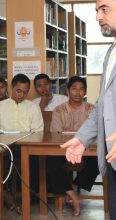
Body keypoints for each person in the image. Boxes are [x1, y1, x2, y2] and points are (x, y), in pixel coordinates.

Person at [61, 0, 116, 219]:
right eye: (96, 10)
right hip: (112, 160)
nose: (97, 16)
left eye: (104, 9)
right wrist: (82, 139)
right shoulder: (111, 52)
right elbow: (102, 104)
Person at [48, 76, 99, 216]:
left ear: (85, 92)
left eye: (81, 89)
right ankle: (73, 195)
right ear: (68, 91)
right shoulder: (59, 110)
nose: (78, 93)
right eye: (74, 89)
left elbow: (95, 133)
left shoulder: (92, 109)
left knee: (98, 160)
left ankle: (74, 187)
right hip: (65, 149)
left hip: (86, 149)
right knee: (50, 160)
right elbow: (55, 134)